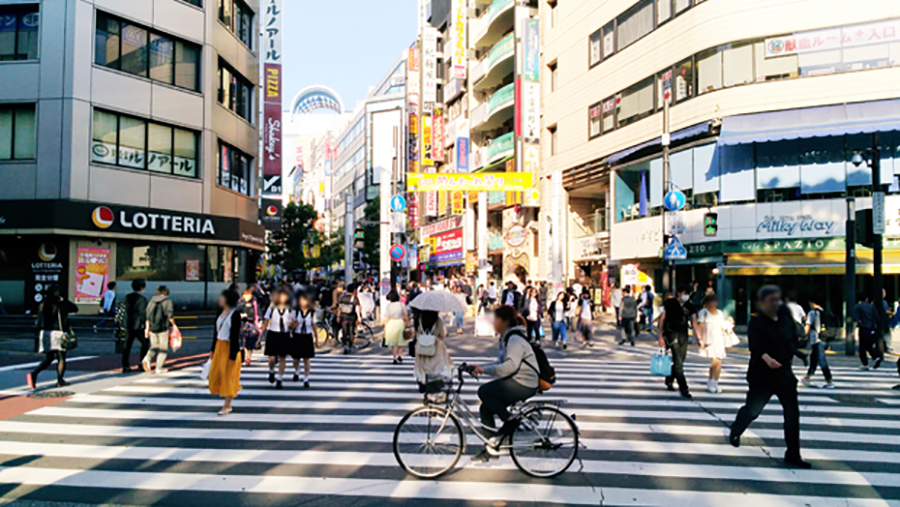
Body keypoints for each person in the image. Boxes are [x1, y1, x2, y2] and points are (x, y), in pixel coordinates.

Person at [729, 285, 811, 469]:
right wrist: (768, 359)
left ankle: (793, 454)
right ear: (762, 303)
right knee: (753, 410)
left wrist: (800, 354)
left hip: (784, 376)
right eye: (771, 300)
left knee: (792, 415)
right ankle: (736, 429)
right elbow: (756, 347)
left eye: (777, 300)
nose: (776, 303)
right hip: (762, 375)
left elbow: (792, 342)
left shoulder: (785, 320)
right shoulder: (757, 322)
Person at [470, 306, 539, 462]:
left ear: (504, 322)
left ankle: (510, 420)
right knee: (485, 408)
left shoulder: (514, 339)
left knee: (484, 391)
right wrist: (481, 368)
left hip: (524, 383)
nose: (493, 324)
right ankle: (491, 448)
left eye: (495, 321)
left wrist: (483, 370)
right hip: (520, 379)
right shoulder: (508, 337)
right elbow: (501, 363)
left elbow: (510, 366)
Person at [27, 287, 77, 389]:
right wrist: (63, 300)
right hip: (58, 333)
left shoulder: (42, 305)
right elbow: (74, 308)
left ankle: (34, 373)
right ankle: (60, 380)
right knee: (61, 357)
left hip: (46, 333)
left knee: (49, 358)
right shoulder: (60, 304)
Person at [209, 289, 243, 416]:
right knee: (215, 375)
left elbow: (235, 336)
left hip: (230, 348)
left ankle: (227, 405)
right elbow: (215, 333)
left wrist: (233, 355)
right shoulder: (220, 313)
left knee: (229, 377)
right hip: (219, 346)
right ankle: (226, 402)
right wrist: (212, 349)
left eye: (222, 297)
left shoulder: (235, 315)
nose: (220, 299)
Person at [658, 285, 695, 398]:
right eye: (684, 293)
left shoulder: (690, 306)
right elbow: (662, 319)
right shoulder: (670, 303)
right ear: (678, 293)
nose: (685, 296)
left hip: (683, 336)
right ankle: (684, 388)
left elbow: (694, 322)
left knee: (680, 361)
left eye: (687, 294)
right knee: (678, 362)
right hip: (671, 334)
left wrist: (699, 337)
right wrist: (660, 336)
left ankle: (669, 379)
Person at [263, 287, 296, 389]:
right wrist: (260, 337)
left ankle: (280, 379)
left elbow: (293, 323)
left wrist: (293, 325)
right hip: (273, 333)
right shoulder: (271, 308)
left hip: (284, 334)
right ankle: (272, 371)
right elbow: (265, 322)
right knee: (272, 359)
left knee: (282, 358)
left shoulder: (290, 309)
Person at [413, 309, 452, 392]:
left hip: (421, 347)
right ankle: (434, 386)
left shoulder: (419, 320)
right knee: (435, 367)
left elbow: (417, 333)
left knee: (423, 366)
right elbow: (443, 334)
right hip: (436, 346)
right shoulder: (437, 320)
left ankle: (423, 383)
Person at [697, 293, 729, 394]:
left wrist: (728, 322)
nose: (715, 303)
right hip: (709, 338)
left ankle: (715, 382)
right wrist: (700, 339)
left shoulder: (720, 313)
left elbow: (722, 324)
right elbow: (701, 326)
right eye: (713, 301)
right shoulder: (703, 312)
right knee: (715, 361)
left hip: (719, 337)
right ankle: (711, 381)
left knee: (719, 361)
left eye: (716, 301)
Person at [143, 286, 176, 374]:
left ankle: (147, 358)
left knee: (154, 346)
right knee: (163, 348)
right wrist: (174, 325)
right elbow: (170, 315)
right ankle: (159, 368)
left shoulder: (152, 300)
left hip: (153, 327)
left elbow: (147, 315)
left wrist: (147, 328)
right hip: (163, 328)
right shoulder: (168, 301)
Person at [803, 297, 834, 389]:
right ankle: (808, 377)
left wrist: (802, 336)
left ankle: (829, 381)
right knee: (814, 358)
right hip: (825, 339)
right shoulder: (825, 312)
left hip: (817, 340)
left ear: (812, 303)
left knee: (822, 361)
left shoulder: (812, 313)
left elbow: (807, 327)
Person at [121, 279, 149, 373]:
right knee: (145, 343)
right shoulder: (141, 299)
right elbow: (142, 313)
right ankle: (141, 363)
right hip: (138, 326)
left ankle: (125, 365)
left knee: (127, 345)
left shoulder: (127, 297)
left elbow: (122, 309)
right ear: (142, 288)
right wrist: (146, 325)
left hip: (128, 324)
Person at [291, 293, 317, 388]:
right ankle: (297, 370)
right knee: (295, 358)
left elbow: (314, 325)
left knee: (307, 358)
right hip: (297, 335)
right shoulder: (295, 312)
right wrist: (294, 325)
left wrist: (317, 337)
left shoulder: (311, 312)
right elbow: (291, 325)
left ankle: (306, 378)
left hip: (307, 336)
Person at [855, 293, 884, 370]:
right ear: (867, 299)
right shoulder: (872, 306)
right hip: (872, 328)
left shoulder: (858, 307)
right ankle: (875, 357)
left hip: (864, 327)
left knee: (862, 347)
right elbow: (877, 318)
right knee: (869, 345)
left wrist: (853, 330)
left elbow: (856, 319)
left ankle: (865, 364)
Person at [383, 290, 409, 364]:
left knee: (393, 341)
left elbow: (387, 317)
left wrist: (385, 326)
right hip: (400, 322)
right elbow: (405, 315)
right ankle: (399, 355)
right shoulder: (402, 305)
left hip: (391, 323)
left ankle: (394, 357)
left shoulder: (389, 306)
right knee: (400, 340)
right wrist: (407, 323)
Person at [784, 292, 809, 367]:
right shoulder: (799, 307)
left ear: (787, 298)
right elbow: (804, 317)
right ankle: (791, 361)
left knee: (788, 346)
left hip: (788, 328)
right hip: (797, 328)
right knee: (791, 346)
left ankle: (801, 356)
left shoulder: (785, 307)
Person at [238, 289, 261, 366]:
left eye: (249, 295)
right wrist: (241, 315)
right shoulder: (241, 305)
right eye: (245, 295)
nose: (247, 297)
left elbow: (258, 314)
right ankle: (246, 357)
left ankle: (249, 357)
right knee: (244, 341)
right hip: (243, 324)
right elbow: (236, 313)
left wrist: (259, 322)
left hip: (252, 325)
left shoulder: (254, 304)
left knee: (251, 341)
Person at [337, 283, 362, 354]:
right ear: (354, 290)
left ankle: (345, 345)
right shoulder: (354, 298)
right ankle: (350, 346)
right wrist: (359, 318)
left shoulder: (342, 298)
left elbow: (339, 308)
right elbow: (357, 309)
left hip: (343, 317)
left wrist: (338, 316)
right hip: (352, 317)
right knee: (351, 332)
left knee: (344, 331)